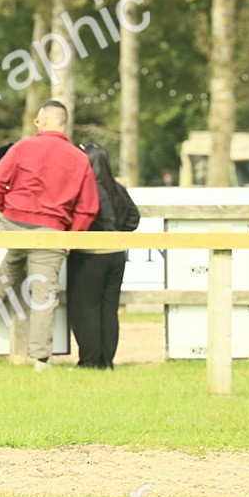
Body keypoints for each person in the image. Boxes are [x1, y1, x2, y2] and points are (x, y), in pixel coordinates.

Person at [0, 101, 99, 372]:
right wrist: (70, 236)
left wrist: (4, 207)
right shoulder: (79, 158)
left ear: (43, 121)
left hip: (15, 220)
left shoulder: (23, 146)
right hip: (52, 229)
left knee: (14, 258)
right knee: (44, 293)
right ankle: (41, 359)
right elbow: (88, 206)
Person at [67, 144, 141, 369]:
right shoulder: (118, 189)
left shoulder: (88, 190)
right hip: (116, 255)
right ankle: (107, 360)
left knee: (86, 308)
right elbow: (133, 218)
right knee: (109, 310)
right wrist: (118, 236)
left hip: (89, 255)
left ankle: (89, 361)